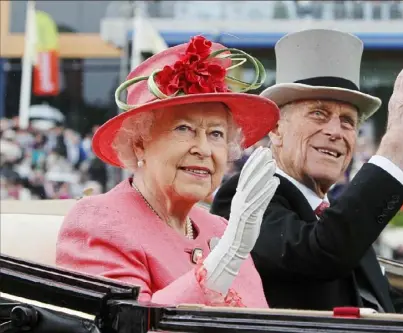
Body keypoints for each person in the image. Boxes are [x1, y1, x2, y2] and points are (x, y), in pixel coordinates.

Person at [211, 29, 403, 313]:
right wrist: (391, 153)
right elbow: (319, 254)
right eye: (319, 113)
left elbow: (387, 303)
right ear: (277, 129)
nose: (334, 132)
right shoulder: (245, 196)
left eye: (347, 122)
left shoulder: (336, 218)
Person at [56, 35, 281, 307]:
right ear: (139, 144)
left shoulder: (220, 229)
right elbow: (127, 324)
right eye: (184, 129)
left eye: (216, 134)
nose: (204, 149)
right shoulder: (98, 220)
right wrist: (225, 259)